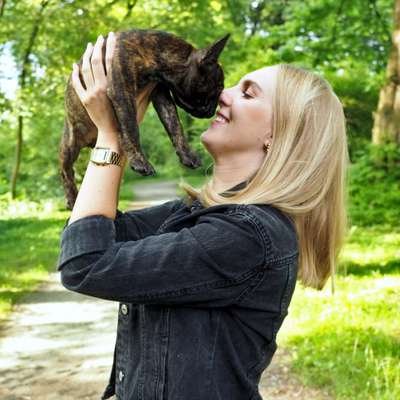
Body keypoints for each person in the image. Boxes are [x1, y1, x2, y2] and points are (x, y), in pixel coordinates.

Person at [56, 31, 349, 400]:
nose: (223, 94)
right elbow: (89, 233)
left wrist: (112, 138)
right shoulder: (194, 214)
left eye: (248, 92)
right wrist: (118, 119)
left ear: (279, 134)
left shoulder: (248, 236)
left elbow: (84, 264)